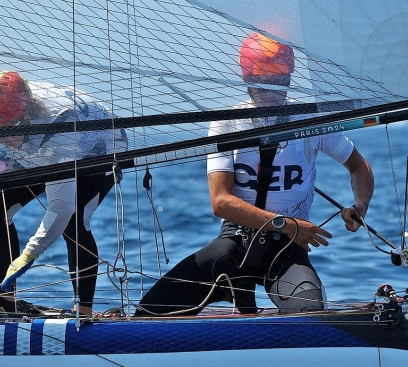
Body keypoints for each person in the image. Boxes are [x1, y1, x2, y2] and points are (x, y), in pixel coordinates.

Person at [138, 33, 374, 316]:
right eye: (261, 84)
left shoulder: (310, 121)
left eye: (278, 83)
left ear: (288, 80)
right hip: (236, 242)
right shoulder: (227, 124)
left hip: (286, 247)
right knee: (149, 312)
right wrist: (288, 224)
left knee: (310, 313)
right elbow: (221, 202)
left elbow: (359, 166)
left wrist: (360, 206)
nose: (270, 92)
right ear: (247, 80)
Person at [0, 70, 125, 317]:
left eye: (7, 132)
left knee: (73, 221)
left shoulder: (59, 128)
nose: (3, 139)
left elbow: (61, 207)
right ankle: (5, 301)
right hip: (40, 148)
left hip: (98, 150)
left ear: (24, 118)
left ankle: (83, 310)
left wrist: (28, 255)